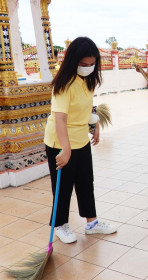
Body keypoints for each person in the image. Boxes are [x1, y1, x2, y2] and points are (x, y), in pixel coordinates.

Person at [44, 37, 117, 244]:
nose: (88, 68)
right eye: (83, 65)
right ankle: (60, 225)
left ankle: (92, 223)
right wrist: (65, 149)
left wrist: (95, 125)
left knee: (86, 181)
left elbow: (87, 107)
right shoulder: (64, 84)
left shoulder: (88, 80)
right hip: (60, 141)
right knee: (63, 185)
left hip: (80, 139)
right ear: (73, 61)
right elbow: (61, 118)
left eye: (91, 64)